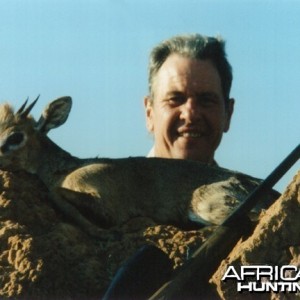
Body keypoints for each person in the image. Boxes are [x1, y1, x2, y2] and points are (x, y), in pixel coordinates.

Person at [144, 34, 234, 164]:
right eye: (175, 99)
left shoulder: (248, 185)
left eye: (206, 100)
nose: (190, 115)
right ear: (149, 113)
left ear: (228, 114)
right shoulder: (108, 184)